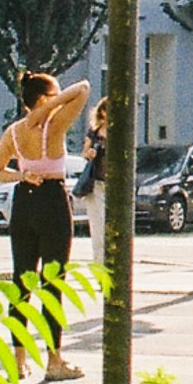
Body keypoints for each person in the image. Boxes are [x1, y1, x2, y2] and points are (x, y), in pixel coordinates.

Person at [0, 72, 90, 381]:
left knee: (21, 282)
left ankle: (18, 361)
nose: (59, 101)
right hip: (52, 200)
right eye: (53, 95)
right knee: (52, 283)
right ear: (44, 99)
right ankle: (53, 360)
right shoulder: (53, 125)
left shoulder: (15, 132)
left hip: (24, 201)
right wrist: (47, 110)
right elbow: (83, 89)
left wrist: (21, 175)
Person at [77, 98, 110, 267]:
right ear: (102, 112)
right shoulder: (95, 131)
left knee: (109, 225)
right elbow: (84, 152)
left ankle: (110, 262)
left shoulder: (121, 131)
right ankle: (99, 263)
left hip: (112, 185)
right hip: (95, 183)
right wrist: (89, 153)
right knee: (97, 226)